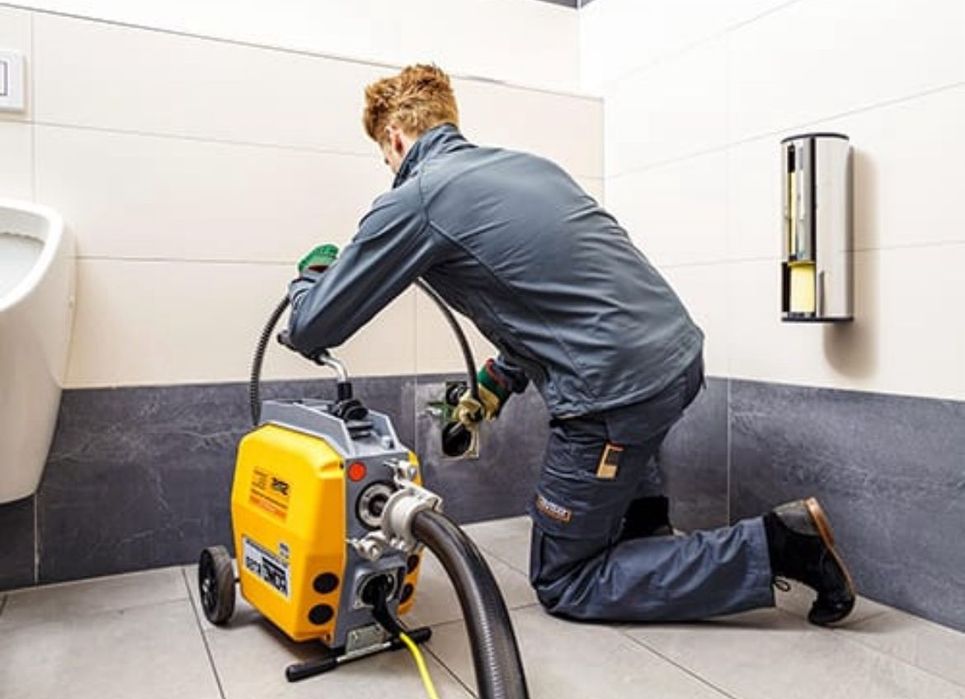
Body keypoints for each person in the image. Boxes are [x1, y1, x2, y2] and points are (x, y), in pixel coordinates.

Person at [286, 64, 855, 626]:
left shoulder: (420, 196)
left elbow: (312, 326)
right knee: (622, 470)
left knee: (565, 579)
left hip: (615, 394)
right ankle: (648, 540)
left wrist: (312, 275)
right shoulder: (530, 169)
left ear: (394, 137)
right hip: (676, 360)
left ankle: (779, 545)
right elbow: (555, 296)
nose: (389, 167)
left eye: (385, 157)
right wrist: (496, 383)